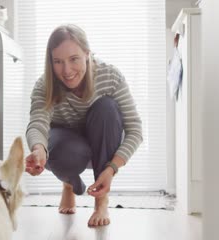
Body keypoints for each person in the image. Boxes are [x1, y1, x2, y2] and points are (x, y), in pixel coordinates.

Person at [25, 24, 143, 227]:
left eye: (74, 59)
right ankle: (70, 184)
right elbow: (38, 122)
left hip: (103, 145)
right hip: (68, 147)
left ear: (87, 54)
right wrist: (38, 149)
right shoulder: (45, 85)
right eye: (58, 62)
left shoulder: (110, 76)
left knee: (107, 108)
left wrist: (112, 168)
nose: (67, 70)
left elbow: (135, 130)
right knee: (56, 148)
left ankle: (101, 201)